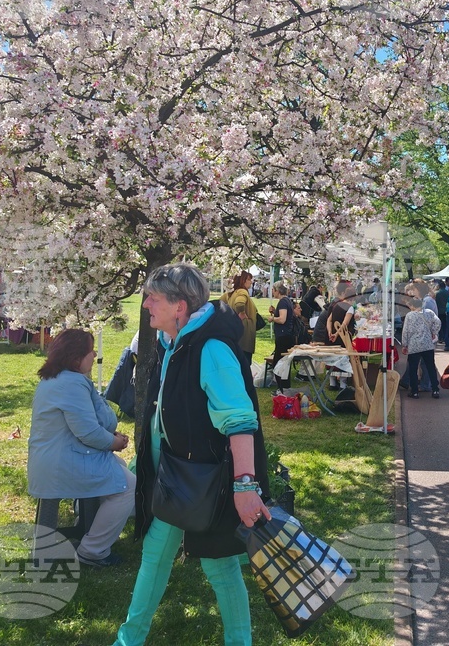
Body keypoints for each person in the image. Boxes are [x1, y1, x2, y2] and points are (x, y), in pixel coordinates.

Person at [114, 262, 269, 646]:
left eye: (153, 297)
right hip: (177, 478)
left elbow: (239, 422)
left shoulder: (211, 348)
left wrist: (245, 486)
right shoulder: (175, 342)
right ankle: (128, 641)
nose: (146, 303)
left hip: (212, 483)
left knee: (221, 567)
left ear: (179, 306)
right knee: (154, 557)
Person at [28, 329, 134, 566]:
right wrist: (113, 442)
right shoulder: (71, 383)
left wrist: (108, 436)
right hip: (62, 463)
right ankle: (93, 551)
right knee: (128, 487)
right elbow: (87, 432)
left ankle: (87, 524)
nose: (94, 353)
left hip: (58, 458)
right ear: (76, 357)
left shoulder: (58, 379)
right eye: (90, 350)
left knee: (119, 468)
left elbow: (87, 424)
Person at [400, 297, 441, 399]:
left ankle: (414, 391)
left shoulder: (409, 315)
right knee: (431, 367)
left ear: (412, 306)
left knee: (413, 369)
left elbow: (406, 331)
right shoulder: (429, 313)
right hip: (428, 344)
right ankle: (435, 389)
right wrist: (434, 332)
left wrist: (405, 345)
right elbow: (438, 322)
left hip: (414, 345)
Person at [220, 271, 258, 364]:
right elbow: (239, 303)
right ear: (242, 280)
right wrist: (242, 313)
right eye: (248, 279)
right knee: (244, 365)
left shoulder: (231, 293)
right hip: (244, 334)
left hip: (234, 332)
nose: (251, 282)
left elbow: (220, 302)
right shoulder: (242, 291)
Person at [268, 281, 296, 389]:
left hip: (283, 336)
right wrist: (275, 311)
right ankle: (284, 387)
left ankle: (282, 387)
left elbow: (282, 319)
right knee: (284, 363)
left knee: (279, 363)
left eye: (273, 290)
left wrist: (272, 318)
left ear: (277, 291)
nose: (272, 292)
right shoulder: (287, 301)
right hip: (286, 335)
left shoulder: (283, 302)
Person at [435, 280, 449, 351]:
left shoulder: (437, 293)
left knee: (440, 325)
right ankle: (445, 337)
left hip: (439, 311)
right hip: (446, 311)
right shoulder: (448, 293)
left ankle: (440, 337)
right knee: (445, 325)